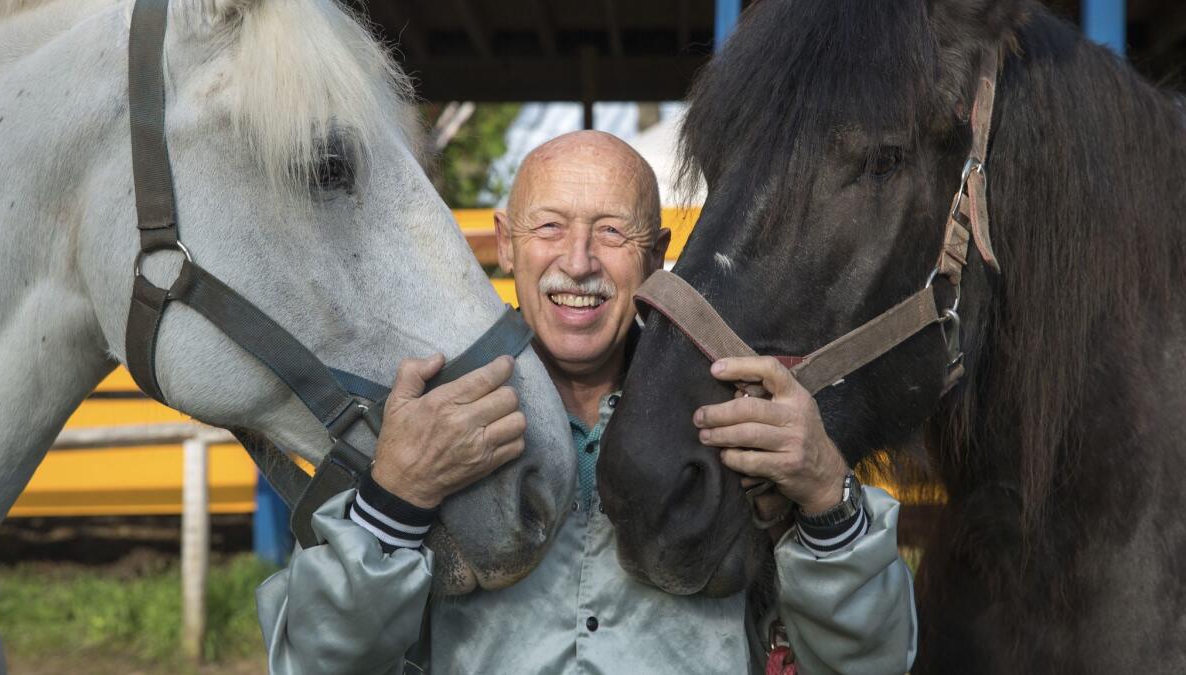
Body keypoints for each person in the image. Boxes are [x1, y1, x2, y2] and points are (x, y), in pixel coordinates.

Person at [256, 131, 916, 674]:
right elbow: (312, 662)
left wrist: (828, 493)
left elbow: (875, 663)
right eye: (549, 227)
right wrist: (393, 497)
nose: (578, 261)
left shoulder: (738, 419)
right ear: (506, 241)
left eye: (610, 232)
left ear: (657, 254)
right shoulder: (423, 420)